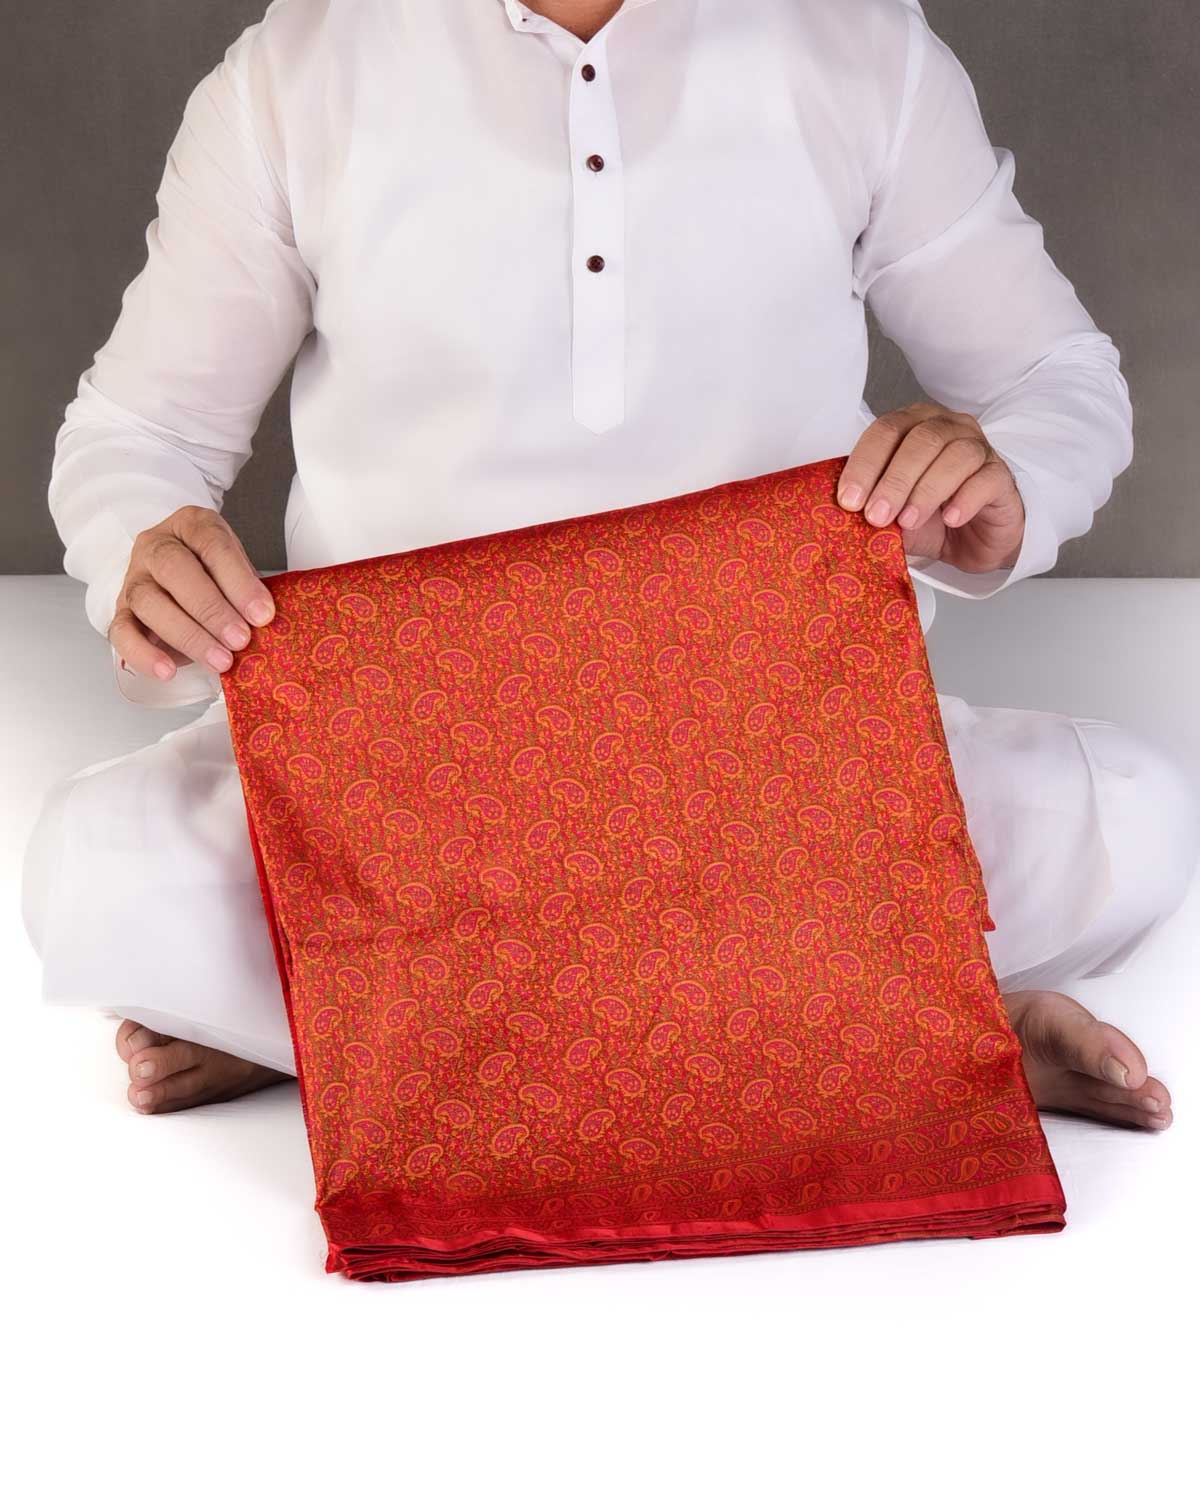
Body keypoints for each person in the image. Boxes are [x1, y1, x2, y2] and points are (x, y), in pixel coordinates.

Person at [21, 0, 1199, 1127]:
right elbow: (139, 433)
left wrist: (1008, 481)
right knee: (88, 876)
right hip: (401, 789)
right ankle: (900, 1026)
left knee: (1140, 823)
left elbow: (1055, 379)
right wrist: (146, 554)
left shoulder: (861, 48)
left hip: (785, 775)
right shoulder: (295, 69)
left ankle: (354, 1024)